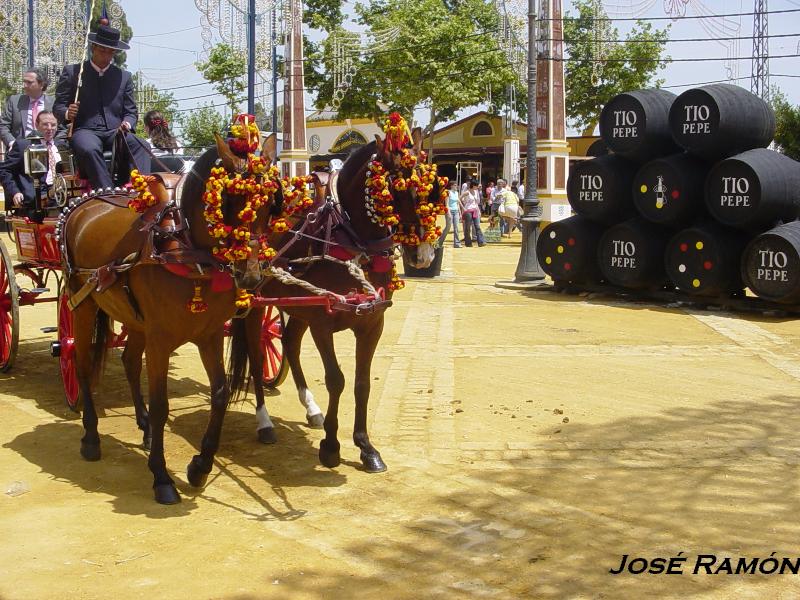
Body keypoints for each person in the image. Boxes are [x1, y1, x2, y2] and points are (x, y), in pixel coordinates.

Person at [53, 24, 150, 189]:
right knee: (90, 148)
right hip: (85, 131)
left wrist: (127, 123)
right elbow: (58, 107)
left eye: (111, 52)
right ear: (93, 47)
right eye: (103, 50)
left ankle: (143, 191)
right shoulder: (73, 72)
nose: (106, 56)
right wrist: (68, 113)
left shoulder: (123, 77)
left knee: (142, 145)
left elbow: (131, 111)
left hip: (115, 132)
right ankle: (107, 192)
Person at [0, 110, 62, 221]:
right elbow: (4, 170)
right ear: (37, 125)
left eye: (53, 125)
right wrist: (15, 192)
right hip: (35, 199)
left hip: (61, 195)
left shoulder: (62, 146)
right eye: (45, 124)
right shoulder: (24, 145)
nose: (49, 128)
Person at [0, 68, 60, 150]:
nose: (24, 85)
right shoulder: (14, 101)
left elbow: (62, 128)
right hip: (20, 149)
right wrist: (12, 143)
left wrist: (54, 145)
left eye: (29, 82)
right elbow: (3, 125)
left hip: (48, 148)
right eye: (24, 82)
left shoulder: (54, 103)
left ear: (41, 85)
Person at [459, 180, 485, 247]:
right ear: (473, 185)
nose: (478, 187)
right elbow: (458, 199)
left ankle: (481, 242)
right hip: (468, 210)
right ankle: (468, 243)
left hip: (475, 210)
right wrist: (463, 208)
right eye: (477, 185)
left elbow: (476, 202)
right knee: (468, 227)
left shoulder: (476, 192)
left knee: (477, 226)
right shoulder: (467, 192)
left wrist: (478, 210)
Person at [441, 181, 461, 248]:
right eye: (455, 185)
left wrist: (460, 213)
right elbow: (446, 204)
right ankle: (439, 242)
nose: (456, 187)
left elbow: (457, 203)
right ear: (451, 186)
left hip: (456, 212)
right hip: (449, 211)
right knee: (448, 227)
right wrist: (448, 212)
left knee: (456, 228)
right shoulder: (448, 192)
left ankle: (457, 243)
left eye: (456, 185)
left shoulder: (457, 193)